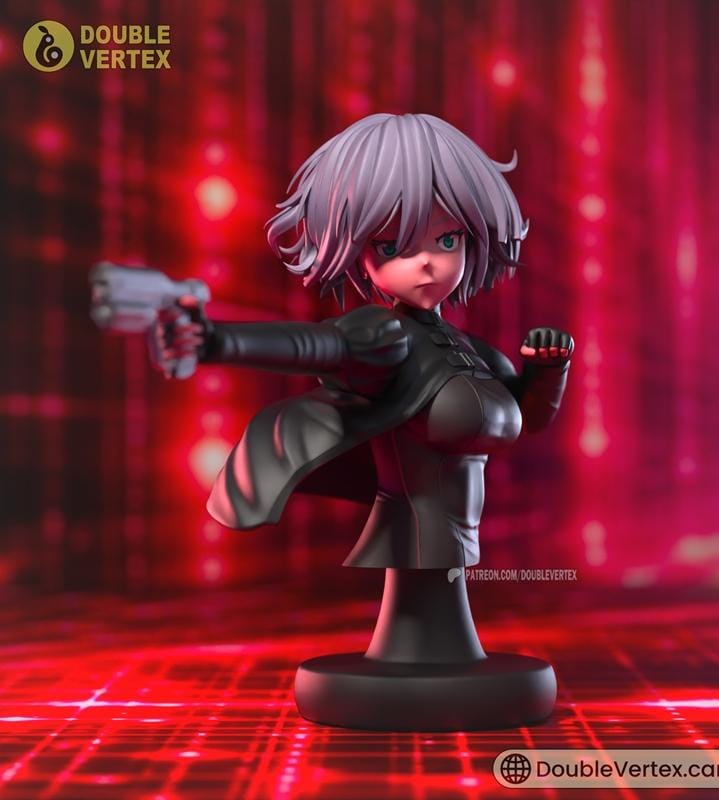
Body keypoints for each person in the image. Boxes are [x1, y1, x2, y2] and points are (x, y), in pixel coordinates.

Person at [150, 113, 574, 729]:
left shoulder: (475, 352)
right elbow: (313, 345)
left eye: (447, 240)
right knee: (428, 604)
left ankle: (439, 651)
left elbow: (526, 417)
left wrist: (549, 371)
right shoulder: (382, 336)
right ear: (360, 251)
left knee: (444, 601)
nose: (426, 264)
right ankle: (418, 656)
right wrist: (216, 341)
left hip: (452, 532)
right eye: (393, 246)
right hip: (417, 527)